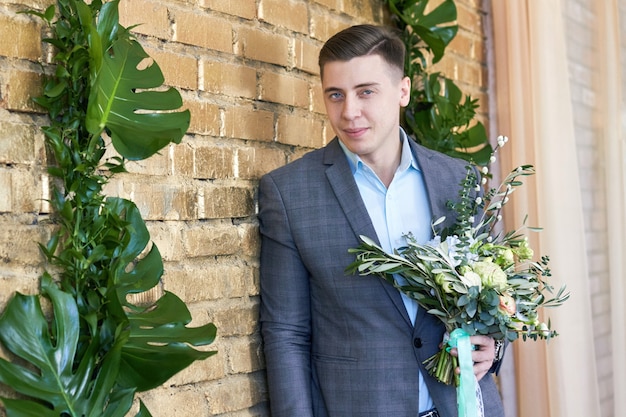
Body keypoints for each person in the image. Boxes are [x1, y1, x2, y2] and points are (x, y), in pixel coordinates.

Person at [258, 24, 505, 417]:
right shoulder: (289, 193)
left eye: (366, 92)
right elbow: (286, 333)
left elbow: (491, 296)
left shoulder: (458, 180)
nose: (349, 111)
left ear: (402, 90)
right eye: (335, 95)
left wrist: (492, 345)